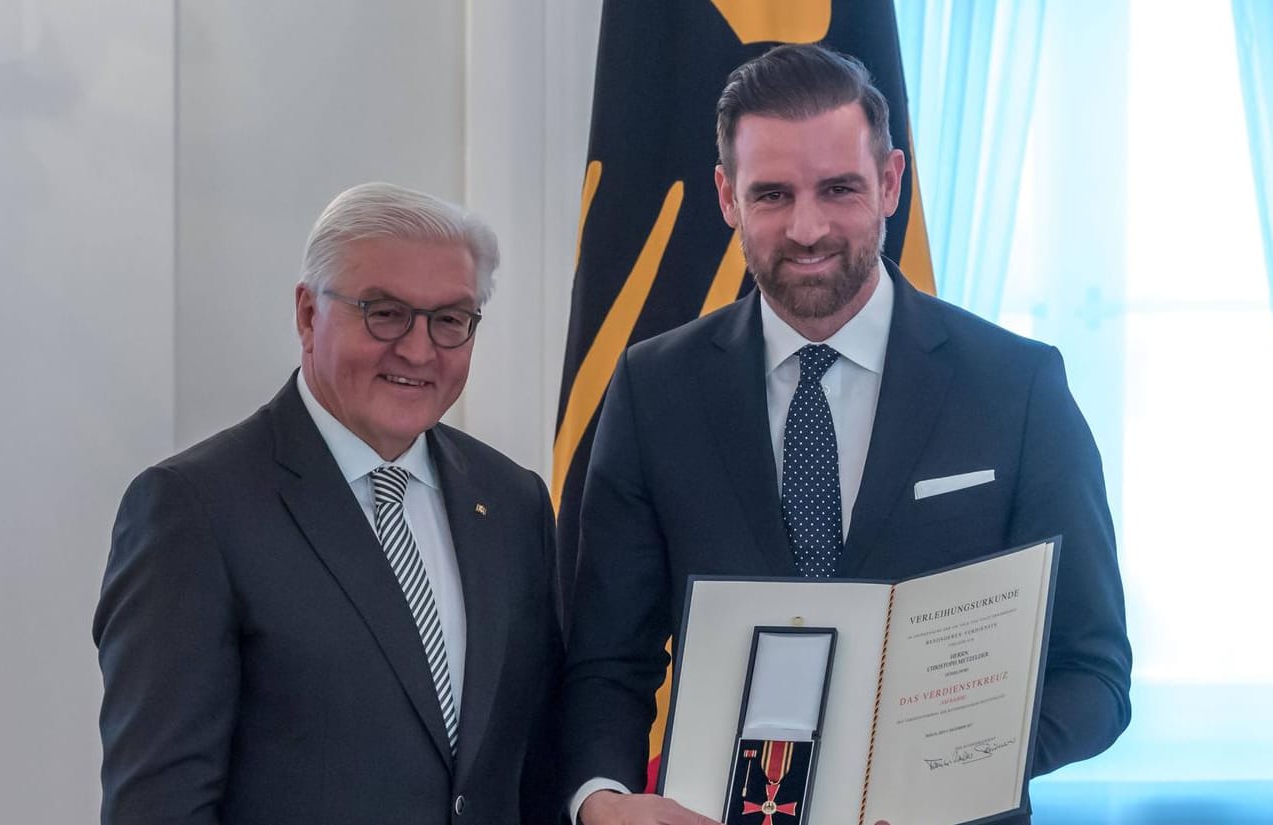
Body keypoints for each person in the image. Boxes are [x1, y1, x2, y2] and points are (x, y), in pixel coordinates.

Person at [561, 44, 1132, 825]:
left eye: (837, 189)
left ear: (890, 181)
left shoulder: (1016, 385)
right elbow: (605, 662)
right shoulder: (652, 388)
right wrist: (602, 802)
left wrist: (936, 765)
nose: (806, 227)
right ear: (726, 197)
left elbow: (1093, 672)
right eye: (771, 194)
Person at [94, 182, 563, 825]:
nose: (419, 350)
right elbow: (158, 807)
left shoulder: (513, 503)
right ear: (308, 314)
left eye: (450, 319)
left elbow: (533, 763)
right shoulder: (194, 510)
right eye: (384, 312)